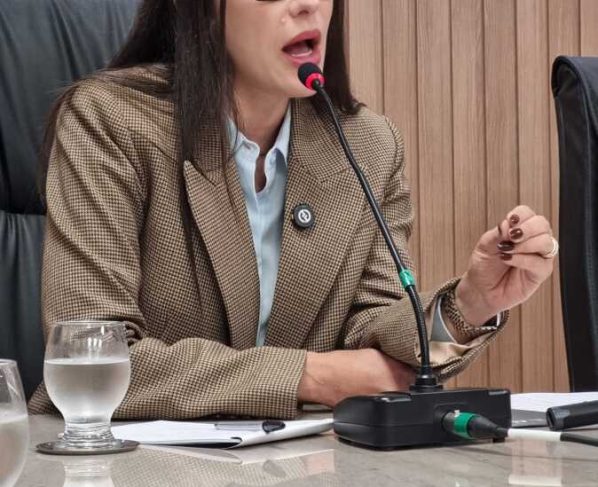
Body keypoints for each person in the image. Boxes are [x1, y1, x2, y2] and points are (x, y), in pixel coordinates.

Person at [29, 0, 557, 419]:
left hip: (302, 465)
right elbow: (89, 359)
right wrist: (309, 377)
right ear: (204, 11)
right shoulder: (111, 122)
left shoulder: (368, 146)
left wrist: (469, 304)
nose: (307, 6)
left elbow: (374, 339)